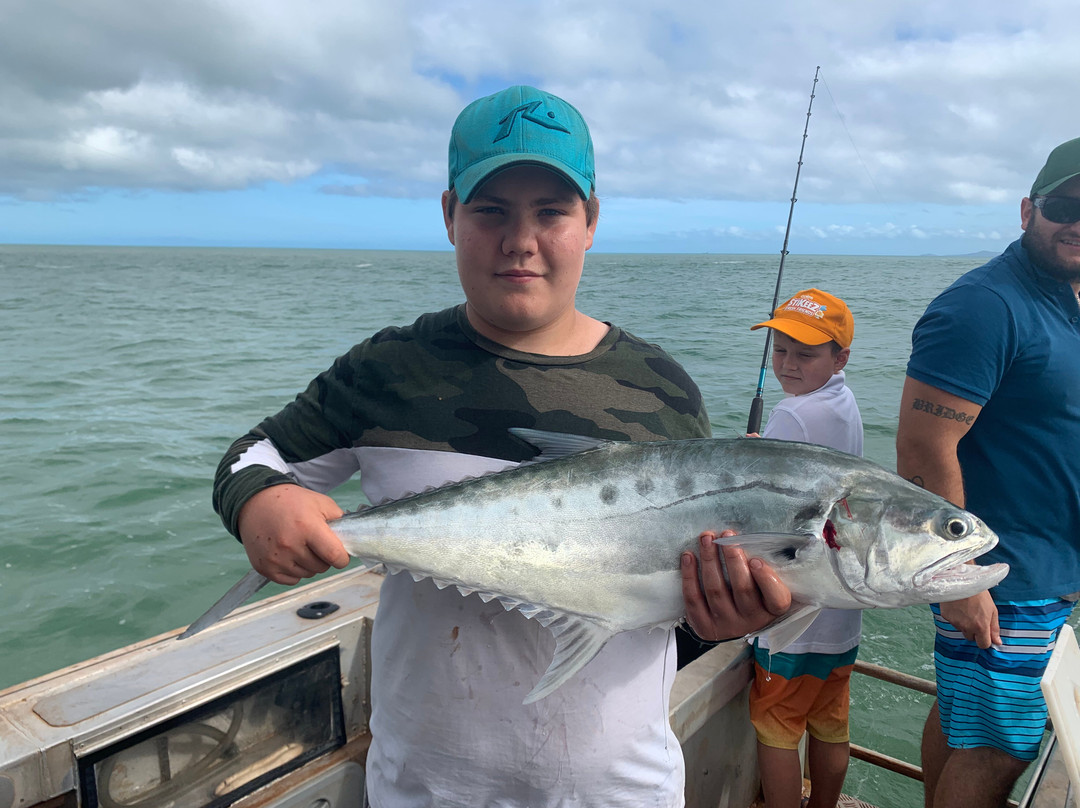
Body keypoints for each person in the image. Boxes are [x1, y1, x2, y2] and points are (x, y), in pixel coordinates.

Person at [212, 85, 791, 808]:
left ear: (591, 222)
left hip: (619, 791)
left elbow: (680, 584)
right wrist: (259, 503)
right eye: (491, 211)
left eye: (552, 212)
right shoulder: (388, 371)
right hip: (426, 789)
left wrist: (722, 616)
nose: (521, 239)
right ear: (451, 216)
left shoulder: (661, 389)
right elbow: (253, 454)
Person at [896, 137, 1080, 808]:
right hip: (1007, 577)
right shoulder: (985, 306)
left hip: (1038, 570)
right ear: (1029, 209)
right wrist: (957, 581)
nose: (1079, 222)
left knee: (961, 719)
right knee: (1001, 752)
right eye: (1066, 205)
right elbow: (920, 450)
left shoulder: (1065, 299)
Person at [745, 289, 864, 808]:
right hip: (841, 614)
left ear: (839, 357)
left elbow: (755, 500)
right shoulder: (843, 400)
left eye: (806, 353)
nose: (788, 364)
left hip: (796, 615)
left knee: (776, 726)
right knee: (830, 723)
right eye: (780, 350)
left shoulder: (793, 417)